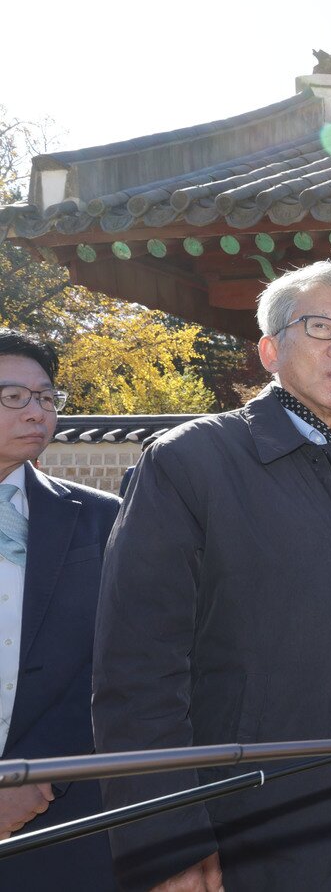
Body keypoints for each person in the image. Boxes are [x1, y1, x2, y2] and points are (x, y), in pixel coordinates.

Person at [92, 261, 331, 891]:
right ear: (270, 349)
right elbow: (137, 668)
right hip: (248, 813)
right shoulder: (191, 464)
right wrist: (164, 834)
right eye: (320, 327)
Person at [0, 330, 120, 891]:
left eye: (47, 398)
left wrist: (34, 777)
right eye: (14, 397)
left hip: (61, 812)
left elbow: (120, 666)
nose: (37, 412)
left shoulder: (102, 519)